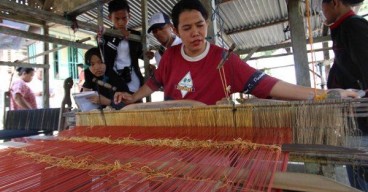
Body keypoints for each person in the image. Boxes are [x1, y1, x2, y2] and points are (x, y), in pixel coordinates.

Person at [114, 0, 360, 106]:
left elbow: (270, 84)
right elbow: (154, 82)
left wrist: (324, 94)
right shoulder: (171, 56)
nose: (195, 33)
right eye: (187, 28)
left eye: (199, 25)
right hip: (174, 140)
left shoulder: (225, 60)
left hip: (214, 144)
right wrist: (133, 98)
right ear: (176, 30)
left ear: (207, 24)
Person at [322, 0, 368, 192]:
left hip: (363, 118)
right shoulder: (343, 29)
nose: (321, 11)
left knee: (361, 173)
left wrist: (360, 96)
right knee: (355, 169)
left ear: (334, 3)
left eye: (322, 6)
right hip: (355, 117)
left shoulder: (354, 27)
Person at [101, 0, 144, 96]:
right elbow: (106, 58)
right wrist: (117, 36)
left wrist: (146, 55)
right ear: (109, 17)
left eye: (124, 18)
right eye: (117, 18)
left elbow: (140, 54)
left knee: (137, 104)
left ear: (130, 16)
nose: (121, 22)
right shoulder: (105, 36)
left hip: (134, 78)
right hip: (115, 79)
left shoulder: (135, 35)